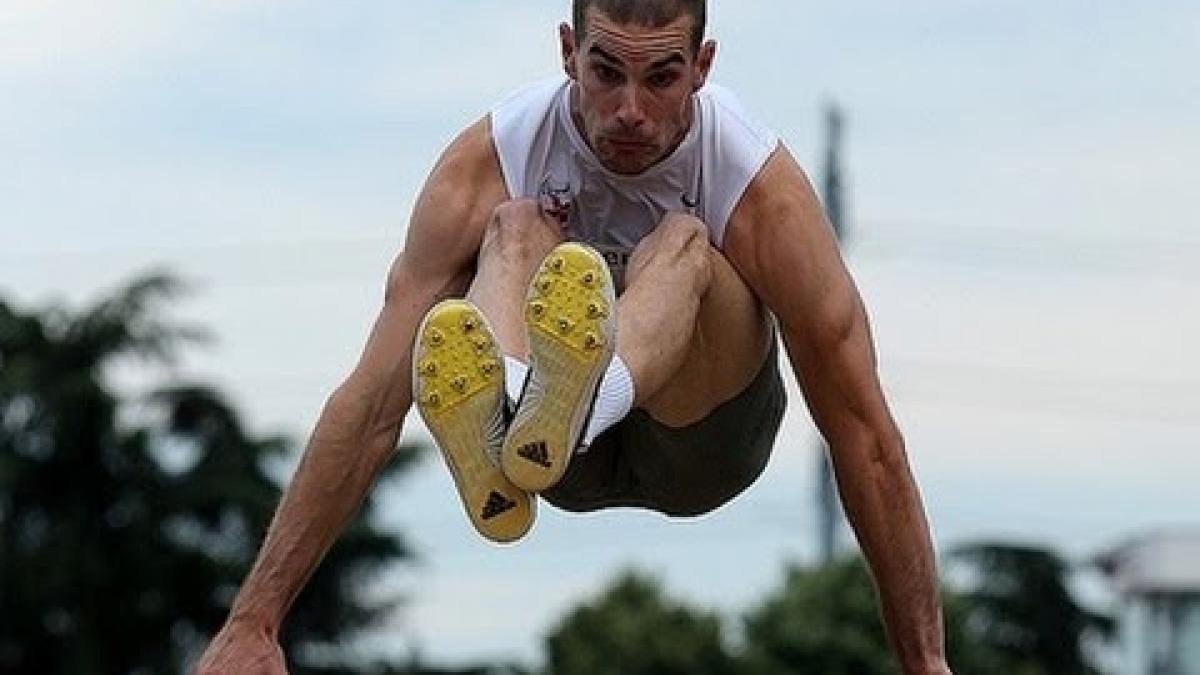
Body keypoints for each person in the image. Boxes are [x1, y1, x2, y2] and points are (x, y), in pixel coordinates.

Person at [195, 1, 953, 673]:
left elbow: (862, 430)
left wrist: (927, 662)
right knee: (514, 225)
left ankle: (571, 403)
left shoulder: (757, 184)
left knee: (683, 240)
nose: (630, 111)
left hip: (703, 443)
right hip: (550, 467)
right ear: (567, 51)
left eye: (661, 78)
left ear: (703, 67)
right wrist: (253, 621)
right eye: (605, 73)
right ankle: (524, 407)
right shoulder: (490, 162)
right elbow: (370, 402)